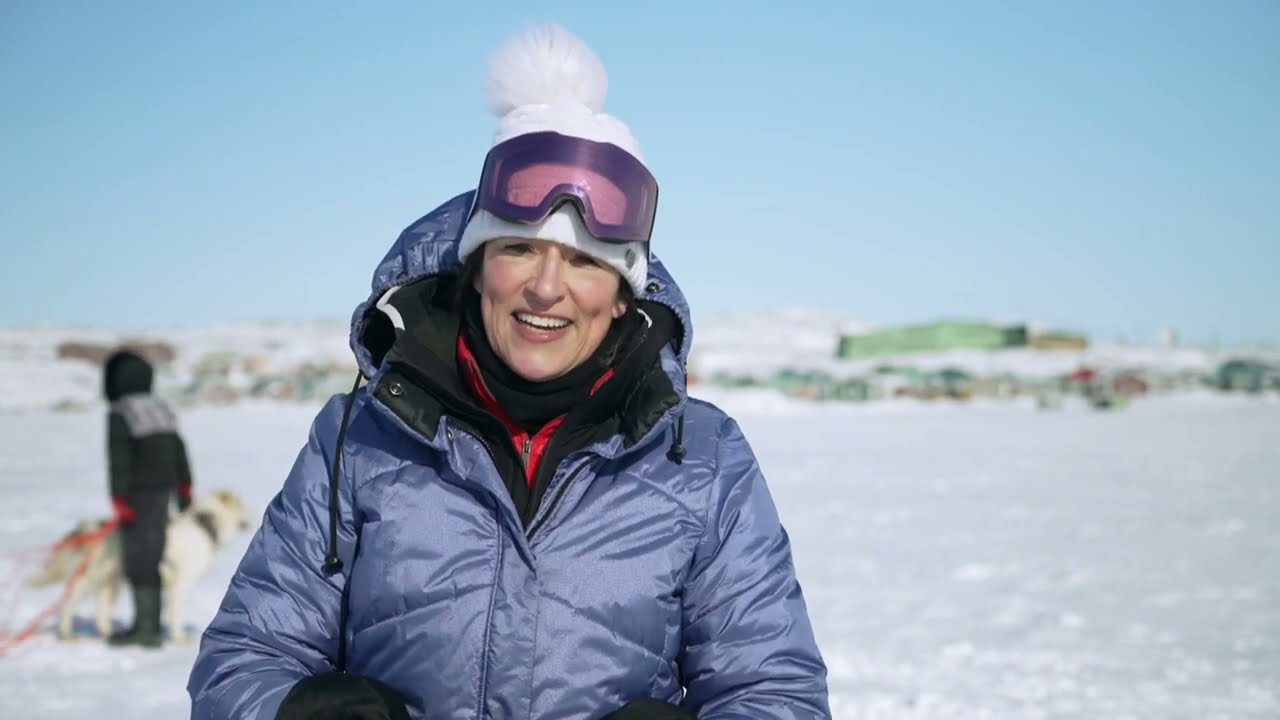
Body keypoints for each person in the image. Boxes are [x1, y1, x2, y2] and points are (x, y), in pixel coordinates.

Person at [188, 23, 830, 720]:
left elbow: (772, 690)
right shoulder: (357, 438)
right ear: (477, 266)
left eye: (585, 262)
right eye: (520, 249)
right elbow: (246, 659)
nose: (547, 288)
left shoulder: (703, 459)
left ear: (623, 299)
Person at [102, 347, 193, 648]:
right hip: (163, 493)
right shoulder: (160, 408)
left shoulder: (121, 412)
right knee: (152, 558)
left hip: (137, 496)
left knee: (139, 560)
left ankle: (146, 629)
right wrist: (185, 486)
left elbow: (119, 459)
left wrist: (119, 498)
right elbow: (179, 449)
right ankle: (149, 625)